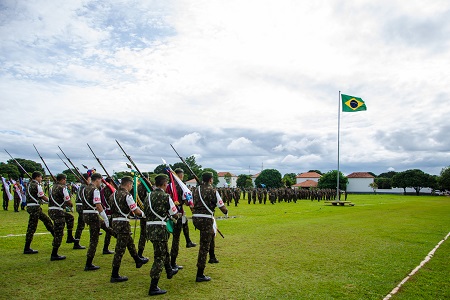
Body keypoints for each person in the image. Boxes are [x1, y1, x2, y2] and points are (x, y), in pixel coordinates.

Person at [144, 174, 179, 296]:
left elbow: (145, 212)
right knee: (159, 257)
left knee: (163, 250)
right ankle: (153, 286)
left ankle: (169, 271)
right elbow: (174, 214)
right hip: (160, 228)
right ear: (164, 184)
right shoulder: (166, 197)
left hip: (150, 227)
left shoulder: (148, 196)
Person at [109, 176, 148, 283]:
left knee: (129, 243)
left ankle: (137, 260)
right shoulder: (127, 195)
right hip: (123, 223)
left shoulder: (113, 195)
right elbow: (135, 210)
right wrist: (144, 214)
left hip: (115, 222)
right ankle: (114, 274)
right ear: (129, 184)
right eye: (132, 185)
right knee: (119, 250)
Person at [192, 171, 228, 282]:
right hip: (206, 219)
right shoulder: (213, 190)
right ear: (211, 179)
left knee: (211, 234)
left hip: (195, 218)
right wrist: (226, 212)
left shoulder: (195, 189)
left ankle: (212, 257)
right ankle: (200, 274)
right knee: (204, 246)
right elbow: (221, 206)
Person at [82, 173, 115, 271]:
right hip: (93, 215)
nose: (101, 183)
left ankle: (116, 235)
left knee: (105, 227)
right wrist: (105, 217)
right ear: (97, 180)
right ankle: (89, 263)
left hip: (86, 214)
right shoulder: (95, 190)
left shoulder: (85, 189)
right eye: (101, 180)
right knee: (94, 240)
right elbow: (98, 205)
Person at [169, 168, 196, 272]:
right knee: (176, 240)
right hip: (178, 212)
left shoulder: (168, 185)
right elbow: (187, 201)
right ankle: (172, 262)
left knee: (184, 225)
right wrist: (192, 208)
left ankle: (188, 241)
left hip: (170, 212)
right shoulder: (181, 186)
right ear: (180, 175)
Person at [24, 171, 54, 254]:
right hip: (35, 208)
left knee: (46, 220)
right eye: (40, 177)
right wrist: (51, 201)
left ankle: (55, 235)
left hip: (31, 206)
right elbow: (42, 196)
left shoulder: (29, 184)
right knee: (33, 227)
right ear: (37, 177)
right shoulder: (36, 185)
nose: (41, 179)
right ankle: (27, 247)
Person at [48, 174, 73, 261]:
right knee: (59, 232)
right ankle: (54, 253)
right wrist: (70, 204)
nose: (65, 181)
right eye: (65, 180)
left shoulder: (52, 187)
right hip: (58, 210)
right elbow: (68, 200)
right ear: (62, 180)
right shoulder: (63, 188)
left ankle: (70, 236)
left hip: (51, 210)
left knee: (70, 217)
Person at [73, 174, 90, 250]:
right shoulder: (84, 187)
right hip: (82, 206)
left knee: (81, 224)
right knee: (81, 225)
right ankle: (76, 242)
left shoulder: (82, 186)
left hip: (79, 206)